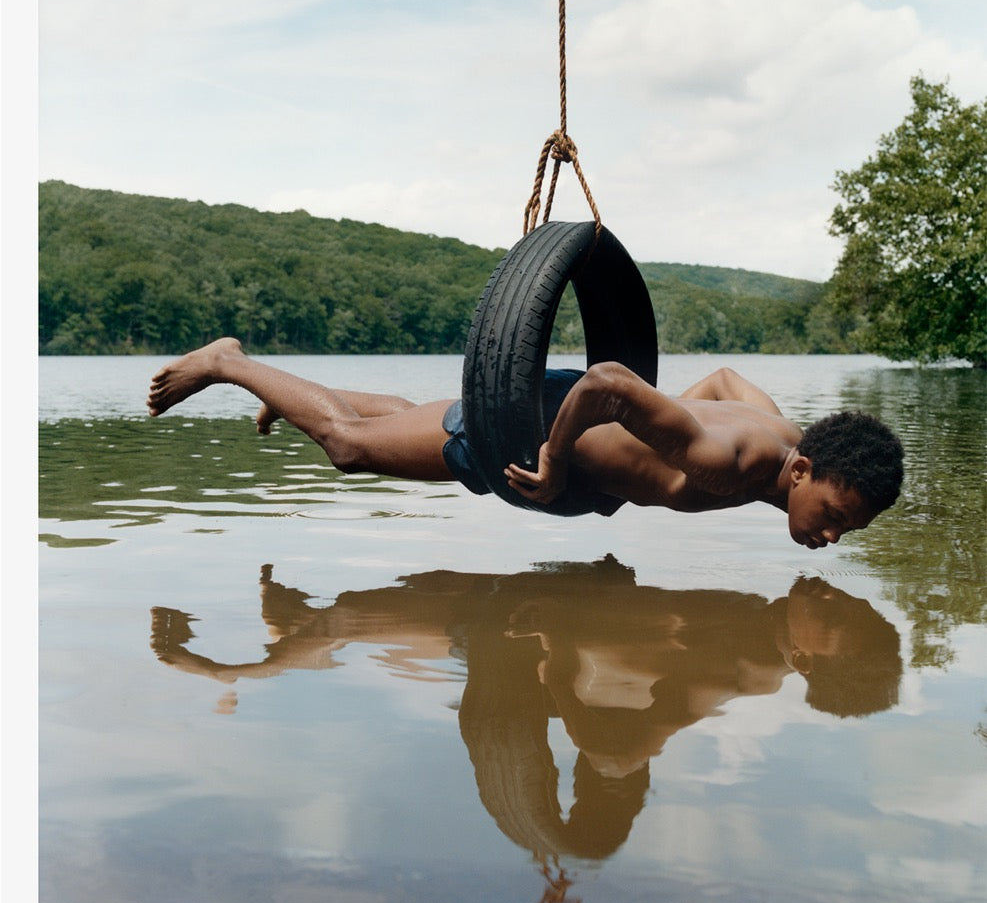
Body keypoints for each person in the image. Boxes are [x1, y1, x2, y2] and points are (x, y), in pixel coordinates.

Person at [146, 336, 904, 547]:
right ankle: (228, 364)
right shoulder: (727, 461)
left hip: (557, 415)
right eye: (835, 514)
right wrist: (554, 453)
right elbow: (609, 379)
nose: (832, 535)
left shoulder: (779, 427)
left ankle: (286, 398)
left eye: (849, 529)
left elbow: (724, 381)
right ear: (803, 470)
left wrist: (639, 452)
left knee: (409, 414)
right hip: (536, 425)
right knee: (349, 448)